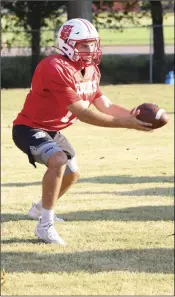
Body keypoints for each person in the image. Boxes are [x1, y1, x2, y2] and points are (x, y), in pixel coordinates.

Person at [12, 18, 152, 245]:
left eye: (93, 44)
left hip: (54, 130)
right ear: (67, 44)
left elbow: (104, 105)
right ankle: (45, 226)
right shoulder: (53, 66)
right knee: (58, 160)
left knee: (72, 174)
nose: (91, 50)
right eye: (84, 45)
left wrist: (132, 116)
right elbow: (84, 113)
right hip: (29, 127)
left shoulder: (91, 70)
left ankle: (39, 209)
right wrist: (126, 124)